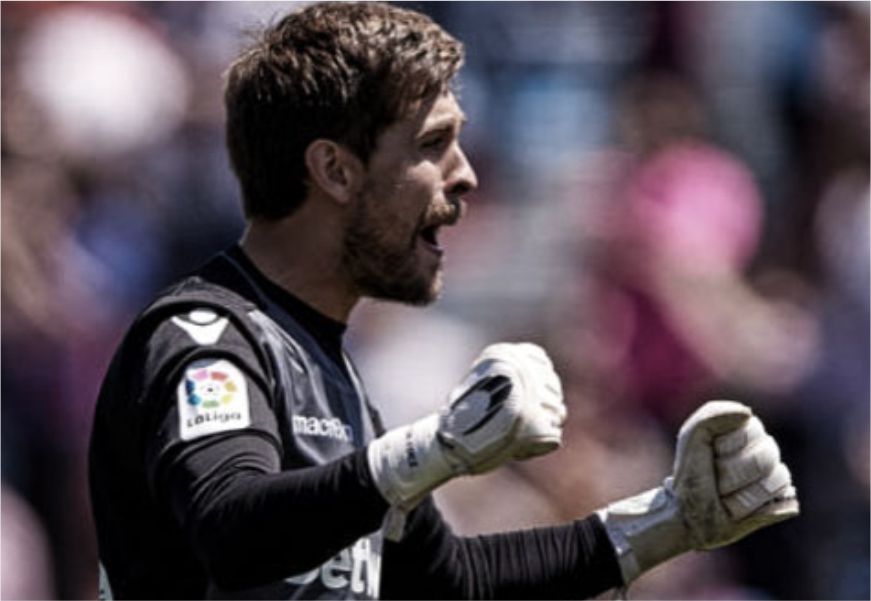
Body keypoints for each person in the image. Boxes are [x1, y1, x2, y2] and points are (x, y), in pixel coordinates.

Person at [88, 3, 799, 599]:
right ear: (334, 169)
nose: (465, 177)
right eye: (433, 144)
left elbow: (446, 582)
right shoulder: (204, 339)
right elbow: (229, 530)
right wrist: (438, 448)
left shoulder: (328, 371)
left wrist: (672, 518)